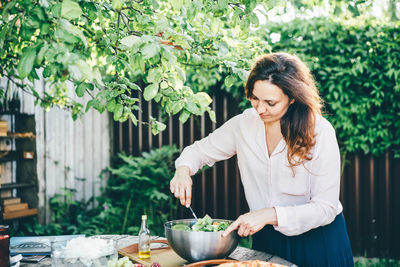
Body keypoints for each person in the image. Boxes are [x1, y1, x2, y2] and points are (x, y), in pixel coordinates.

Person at [170, 52, 354, 267]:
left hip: (318, 242)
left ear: (293, 98)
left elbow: (326, 208)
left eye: (271, 102)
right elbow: (198, 152)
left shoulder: (319, 131)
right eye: (254, 98)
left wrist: (269, 215)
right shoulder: (244, 124)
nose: (259, 108)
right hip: (266, 241)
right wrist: (182, 171)